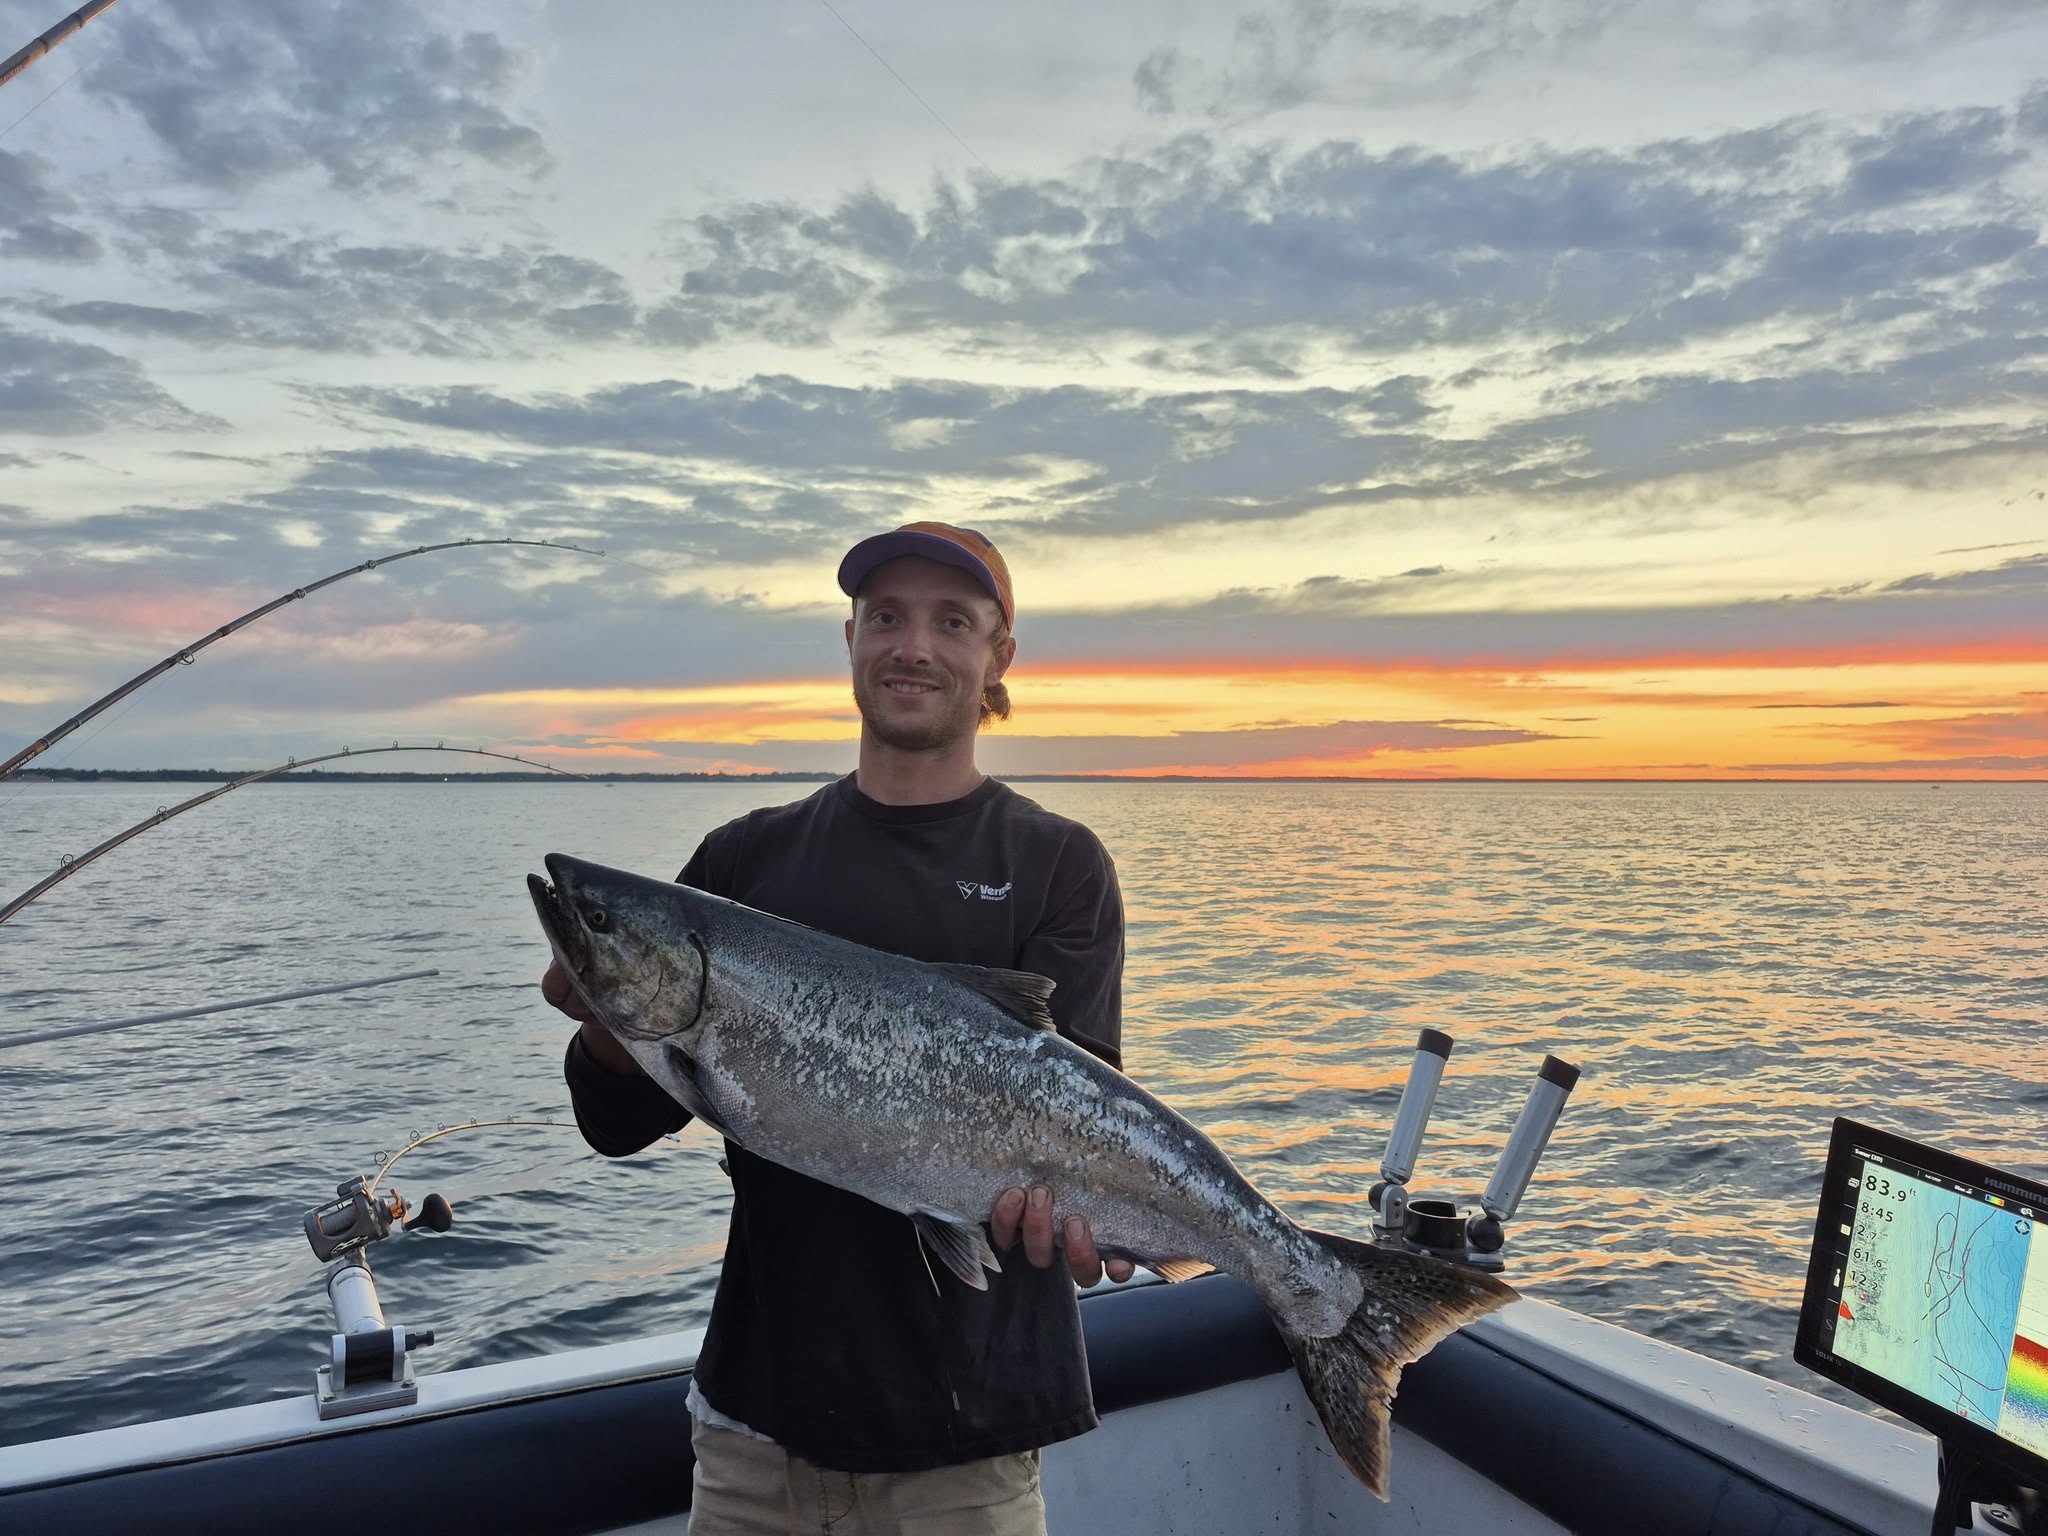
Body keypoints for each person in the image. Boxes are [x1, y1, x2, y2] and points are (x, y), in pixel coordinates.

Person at [543, 521, 1132, 1535]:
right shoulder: (742, 860)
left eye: (952, 621)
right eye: (886, 617)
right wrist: (608, 1016)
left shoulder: (1058, 864)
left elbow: (1086, 1114)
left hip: (972, 1441)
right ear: (851, 638)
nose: (913, 645)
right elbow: (617, 1124)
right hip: (753, 1432)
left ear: (998, 656)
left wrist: (1083, 1215)